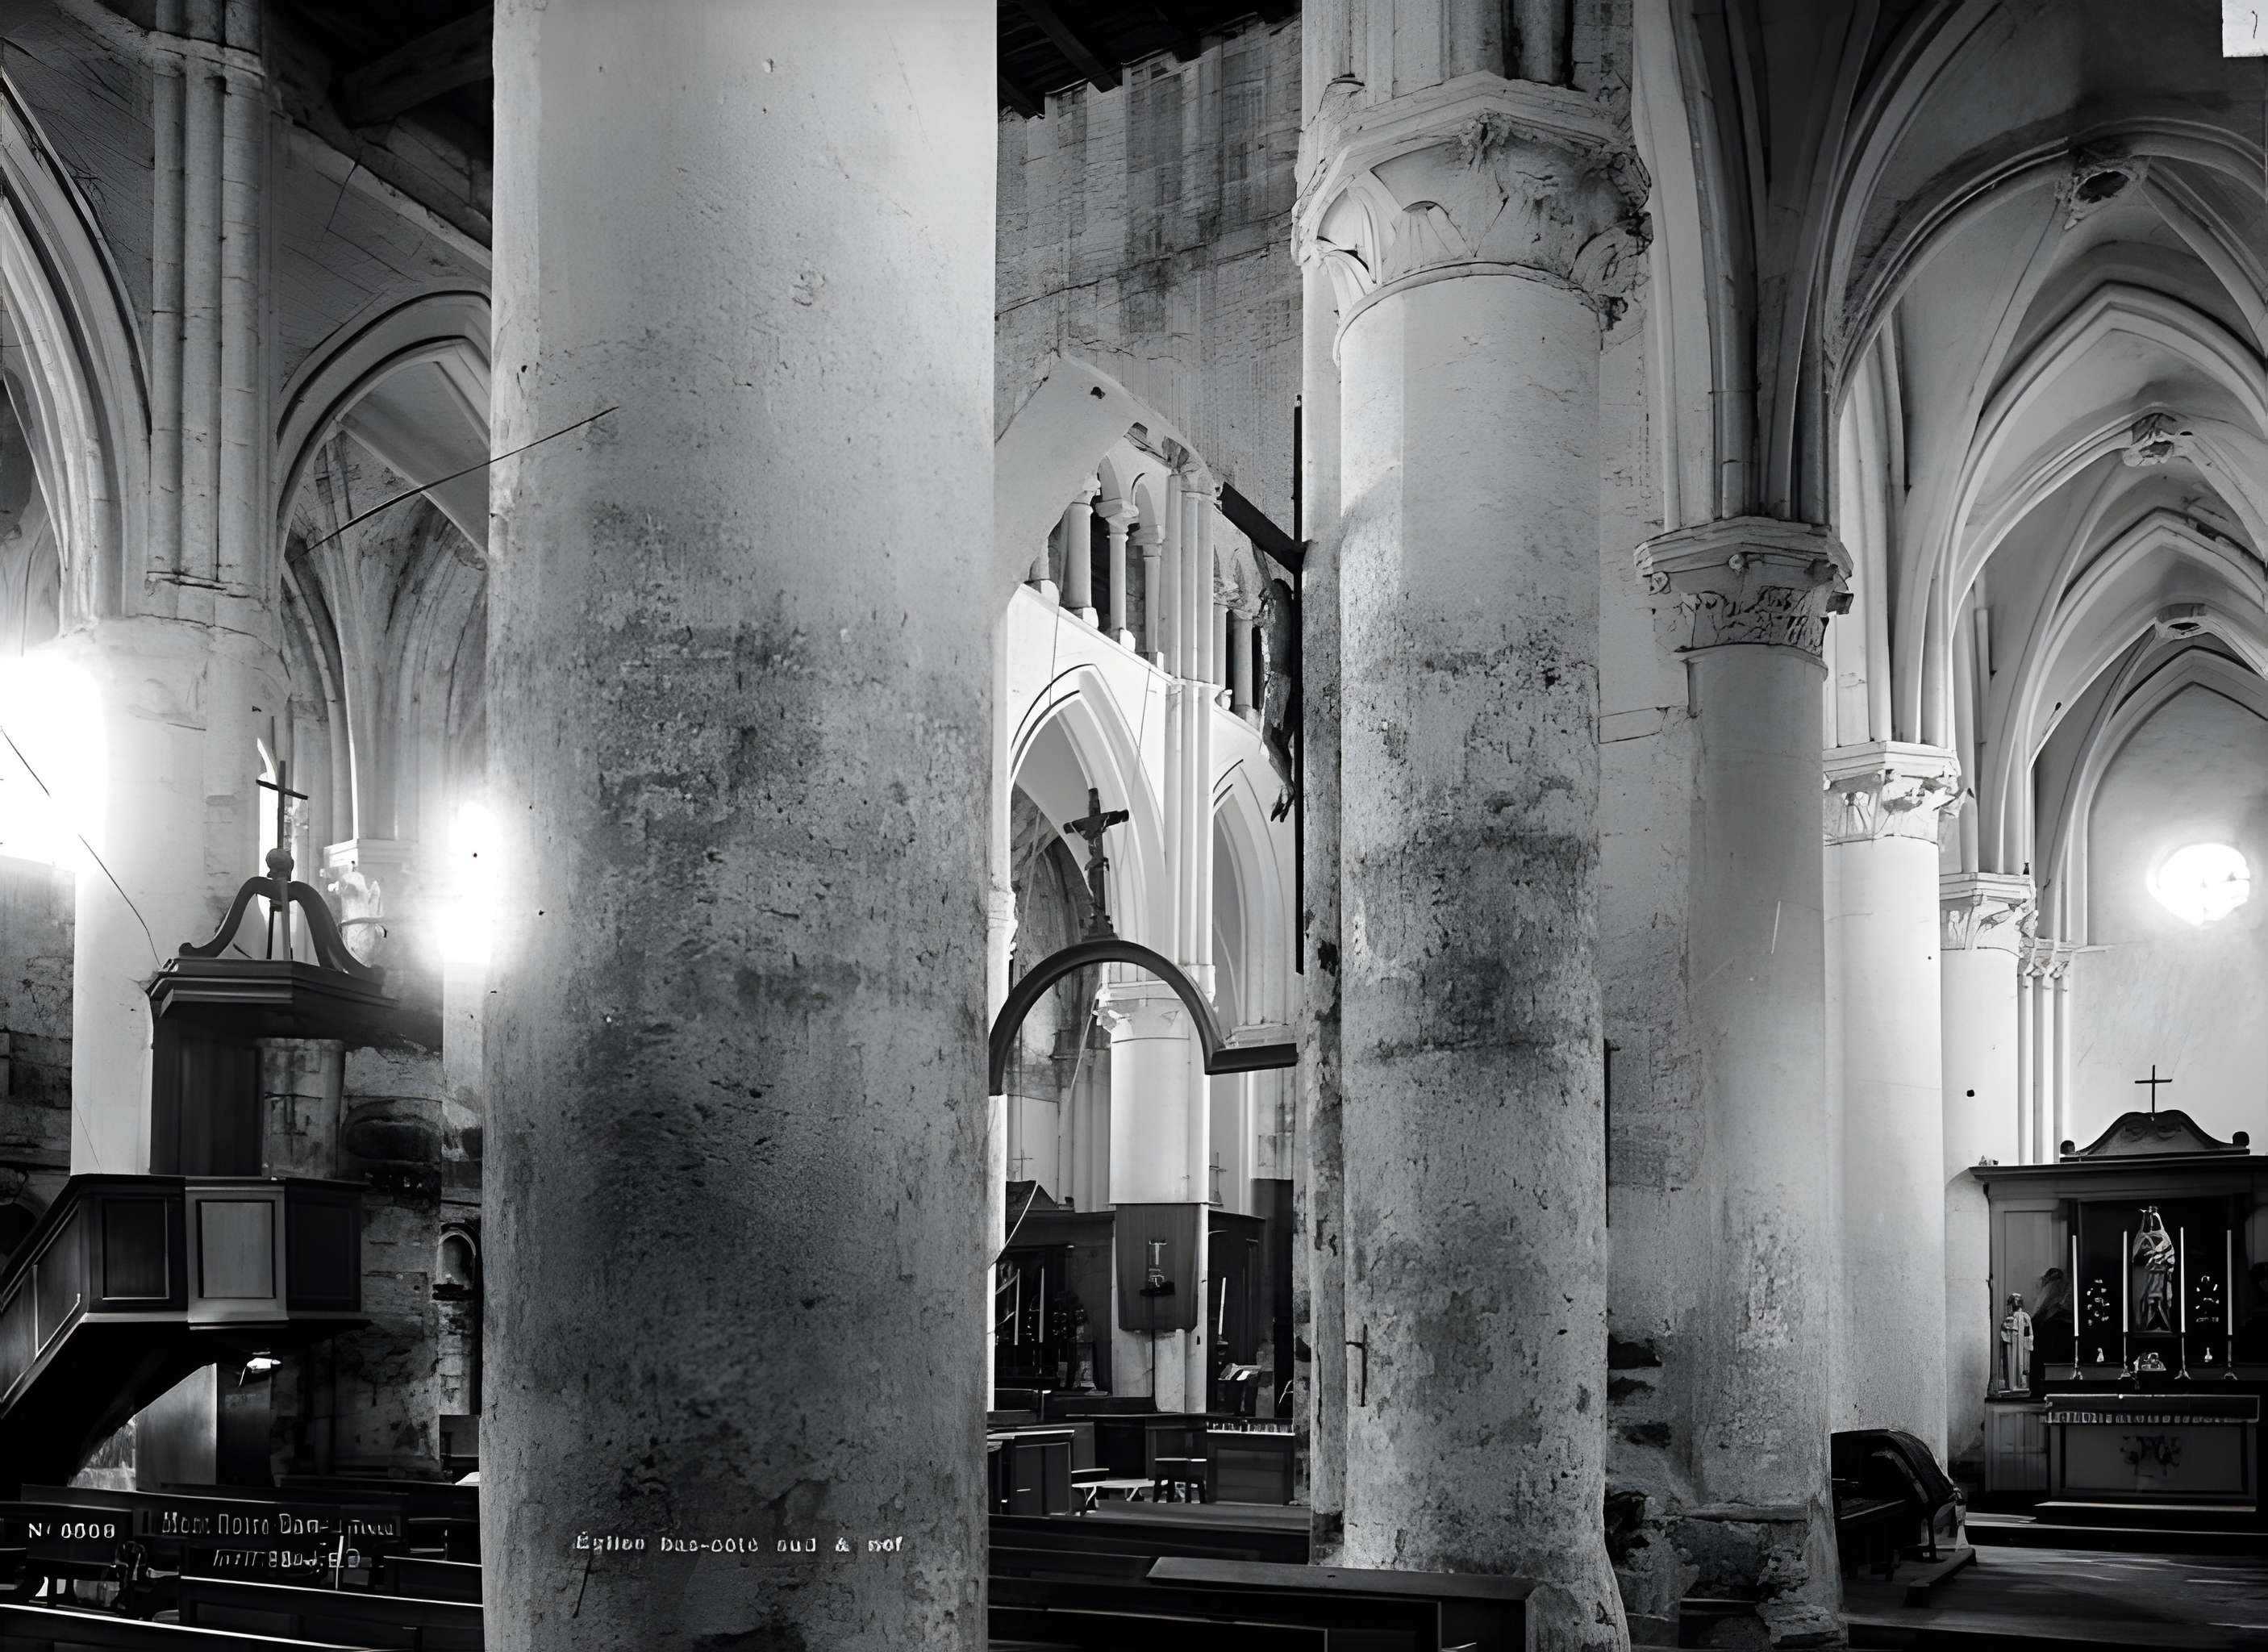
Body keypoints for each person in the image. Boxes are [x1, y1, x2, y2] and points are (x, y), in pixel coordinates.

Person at [2133, 1209, 2178, 1334]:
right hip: (2146, 1278)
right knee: (2146, 1302)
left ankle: (2160, 1324)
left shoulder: (2163, 1237)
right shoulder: (2142, 1238)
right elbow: (2137, 1256)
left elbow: (2170, 1256)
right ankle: (2145, 1324)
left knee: (2160, 1301)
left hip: (2160, 1277)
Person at [1998, 1293, 2035, 1394]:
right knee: (2012, 1365)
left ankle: (2021, 1385)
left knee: (2022, 1367)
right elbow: (2005, 1334)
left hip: (2023, 1347)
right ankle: (2012, 1385)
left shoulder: (2025, 1316)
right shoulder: (2010, 1318)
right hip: (2012, 1346)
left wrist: (2028, 1342)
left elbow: (2030, 1334)